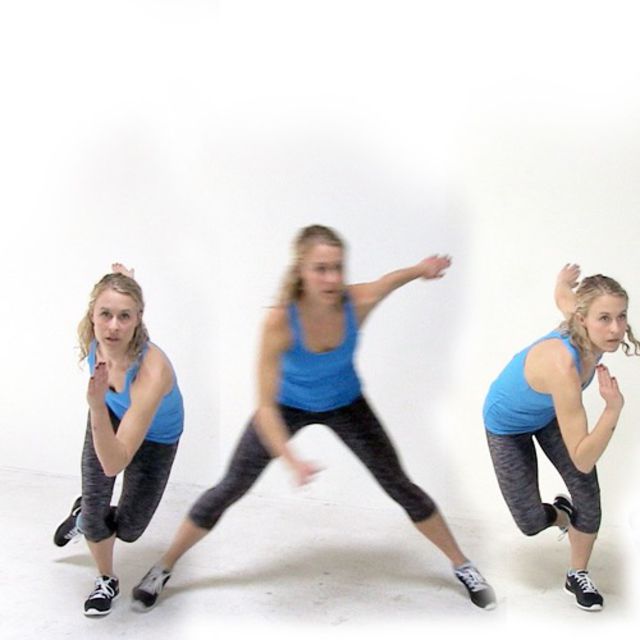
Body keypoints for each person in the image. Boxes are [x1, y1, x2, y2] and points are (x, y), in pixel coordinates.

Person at [131, 224, 496, 612]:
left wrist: (421, 269)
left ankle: (463, 565)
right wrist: (291, 459)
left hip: (346, 403)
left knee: (399, 484)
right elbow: (266, 406)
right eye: (321, 269)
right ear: (301, 271)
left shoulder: (357, 303)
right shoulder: (279, 322)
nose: (332, 278)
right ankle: (163, 567)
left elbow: (388, 282)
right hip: (286, 406)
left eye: (338, 267)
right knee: (230, 487)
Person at [483, 264, 639, 611]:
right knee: (529, 522)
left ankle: (577, 574)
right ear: (583, 319)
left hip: (549, 413)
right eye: (604, 318)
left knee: (588, 495)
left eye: (621, 316)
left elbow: (563, 297)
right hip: (507, 425)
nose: (615, 329)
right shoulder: (563, 366)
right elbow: (583, 457)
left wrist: (562, 282)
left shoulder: (584, 319)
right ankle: (561, 515)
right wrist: (612, 410)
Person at [53, 264, 184, 616]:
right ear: (92, 315)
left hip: (157, 436)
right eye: (105, 314)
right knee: (97, 515)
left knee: (129, 529)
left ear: (138, 319)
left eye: (124, 316)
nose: (113, 326)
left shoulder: (152, 371)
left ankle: (83, 515)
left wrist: (96, 404)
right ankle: (106, 579)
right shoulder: (93, 340)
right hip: (108, 413)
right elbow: (107, 464)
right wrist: (99, 409)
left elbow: (115, 463)